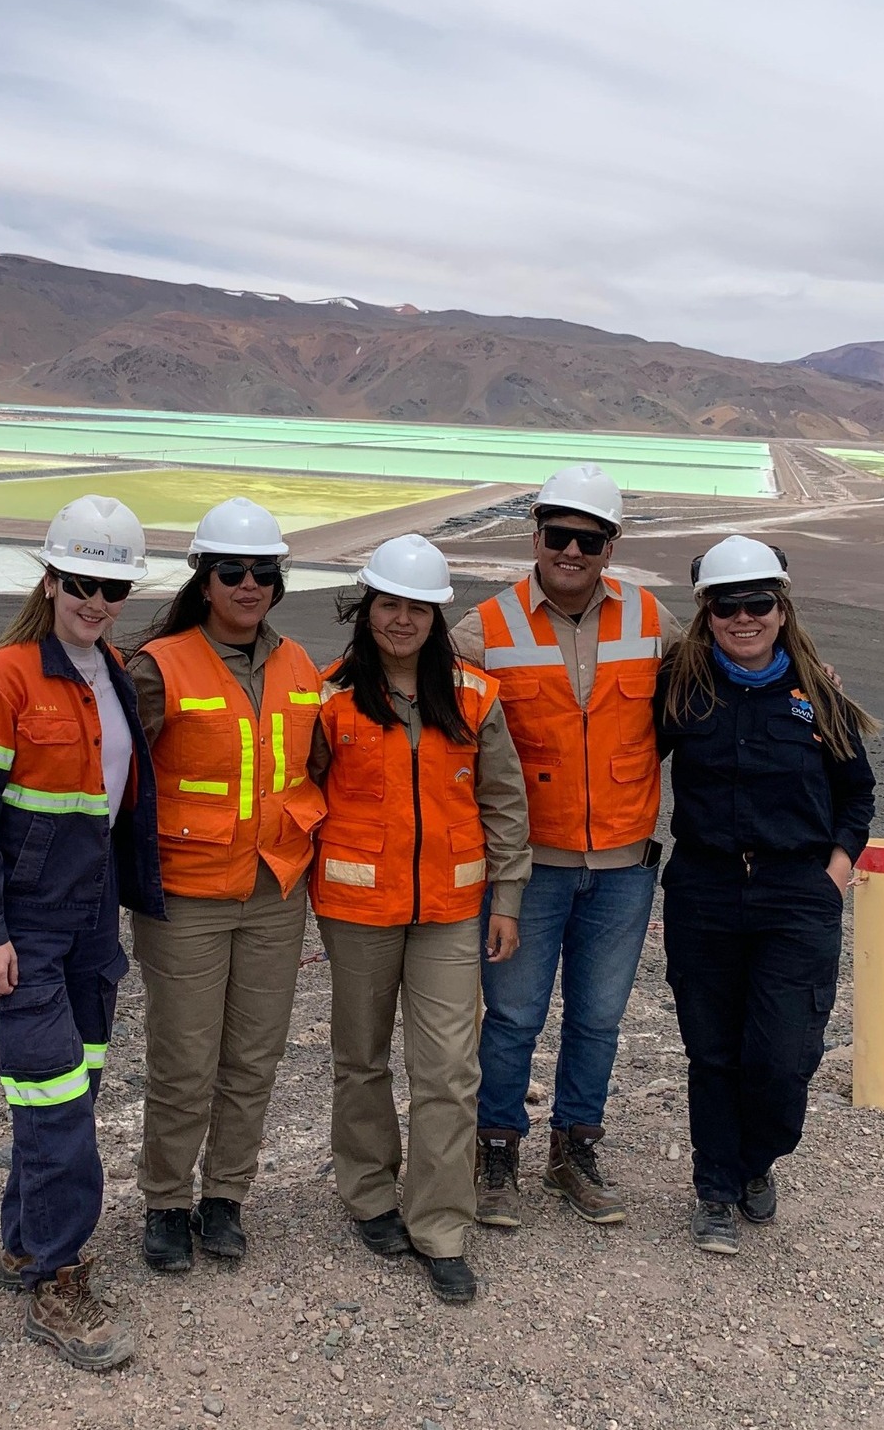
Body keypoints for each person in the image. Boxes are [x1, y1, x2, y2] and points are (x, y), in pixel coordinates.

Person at [0, 495, 166, 1371]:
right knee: (58, 1106)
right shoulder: (1, 677)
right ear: (51, 577)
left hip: (90, 929)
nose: (96, 599)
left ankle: (22, 1243)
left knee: (66, 1100)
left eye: (113, 585)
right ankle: (58, 1278)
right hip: (24, 935)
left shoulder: (110, 671)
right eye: (82, 581)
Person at [451, 464, 678, 1228]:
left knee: (599, 1017)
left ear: (610, 546)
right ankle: (497, 1152)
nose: (571, 552)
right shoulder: (488, 628)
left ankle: (575, 1149)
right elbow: (410, 692)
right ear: (537, 536)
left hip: (622, 867)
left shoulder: (650, 620)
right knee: (513, 1017)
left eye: (589, 539)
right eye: (558, 535)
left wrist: (808, 690)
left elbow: (718, 684)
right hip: (528, 869)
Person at [310, 535, 532, 1304]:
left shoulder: (474, 696)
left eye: (417, 607)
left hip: (448, 913)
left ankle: (440, 1225)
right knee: (361, 1060)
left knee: (448, 1070)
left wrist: (506, 898)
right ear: (366, 607)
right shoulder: (329, 695)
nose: (401, 619)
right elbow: (301, 797)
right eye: (388, 604)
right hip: (356, 910)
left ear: (437, 616)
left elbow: (503, 802)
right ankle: (370, 1195)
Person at [655, 535, 878, 1254]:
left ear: (782, 610)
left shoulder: (818, 696)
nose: (743, 617)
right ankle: (718, 1189)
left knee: (784, 1057)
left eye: (759, 603)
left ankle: (758, 1158)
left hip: (795, 894)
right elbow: (611, 751)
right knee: (712, 1052)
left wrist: (834, 876)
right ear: (706, 613)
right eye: (728, 604)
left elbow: (857, 794)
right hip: (706, 890)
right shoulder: (679, 688)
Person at [126, 497, 327, 1272]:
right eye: (233, 571)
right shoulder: (160, 665)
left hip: (275, 893)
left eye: (264, 572)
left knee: (253, 1058)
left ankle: (226, 1199)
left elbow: (318, 769)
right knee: (184, 1060)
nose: (250, 584)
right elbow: (115, 778)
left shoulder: (301, 665)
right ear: (205, 579)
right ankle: (167, 1202)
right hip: (188, 897)